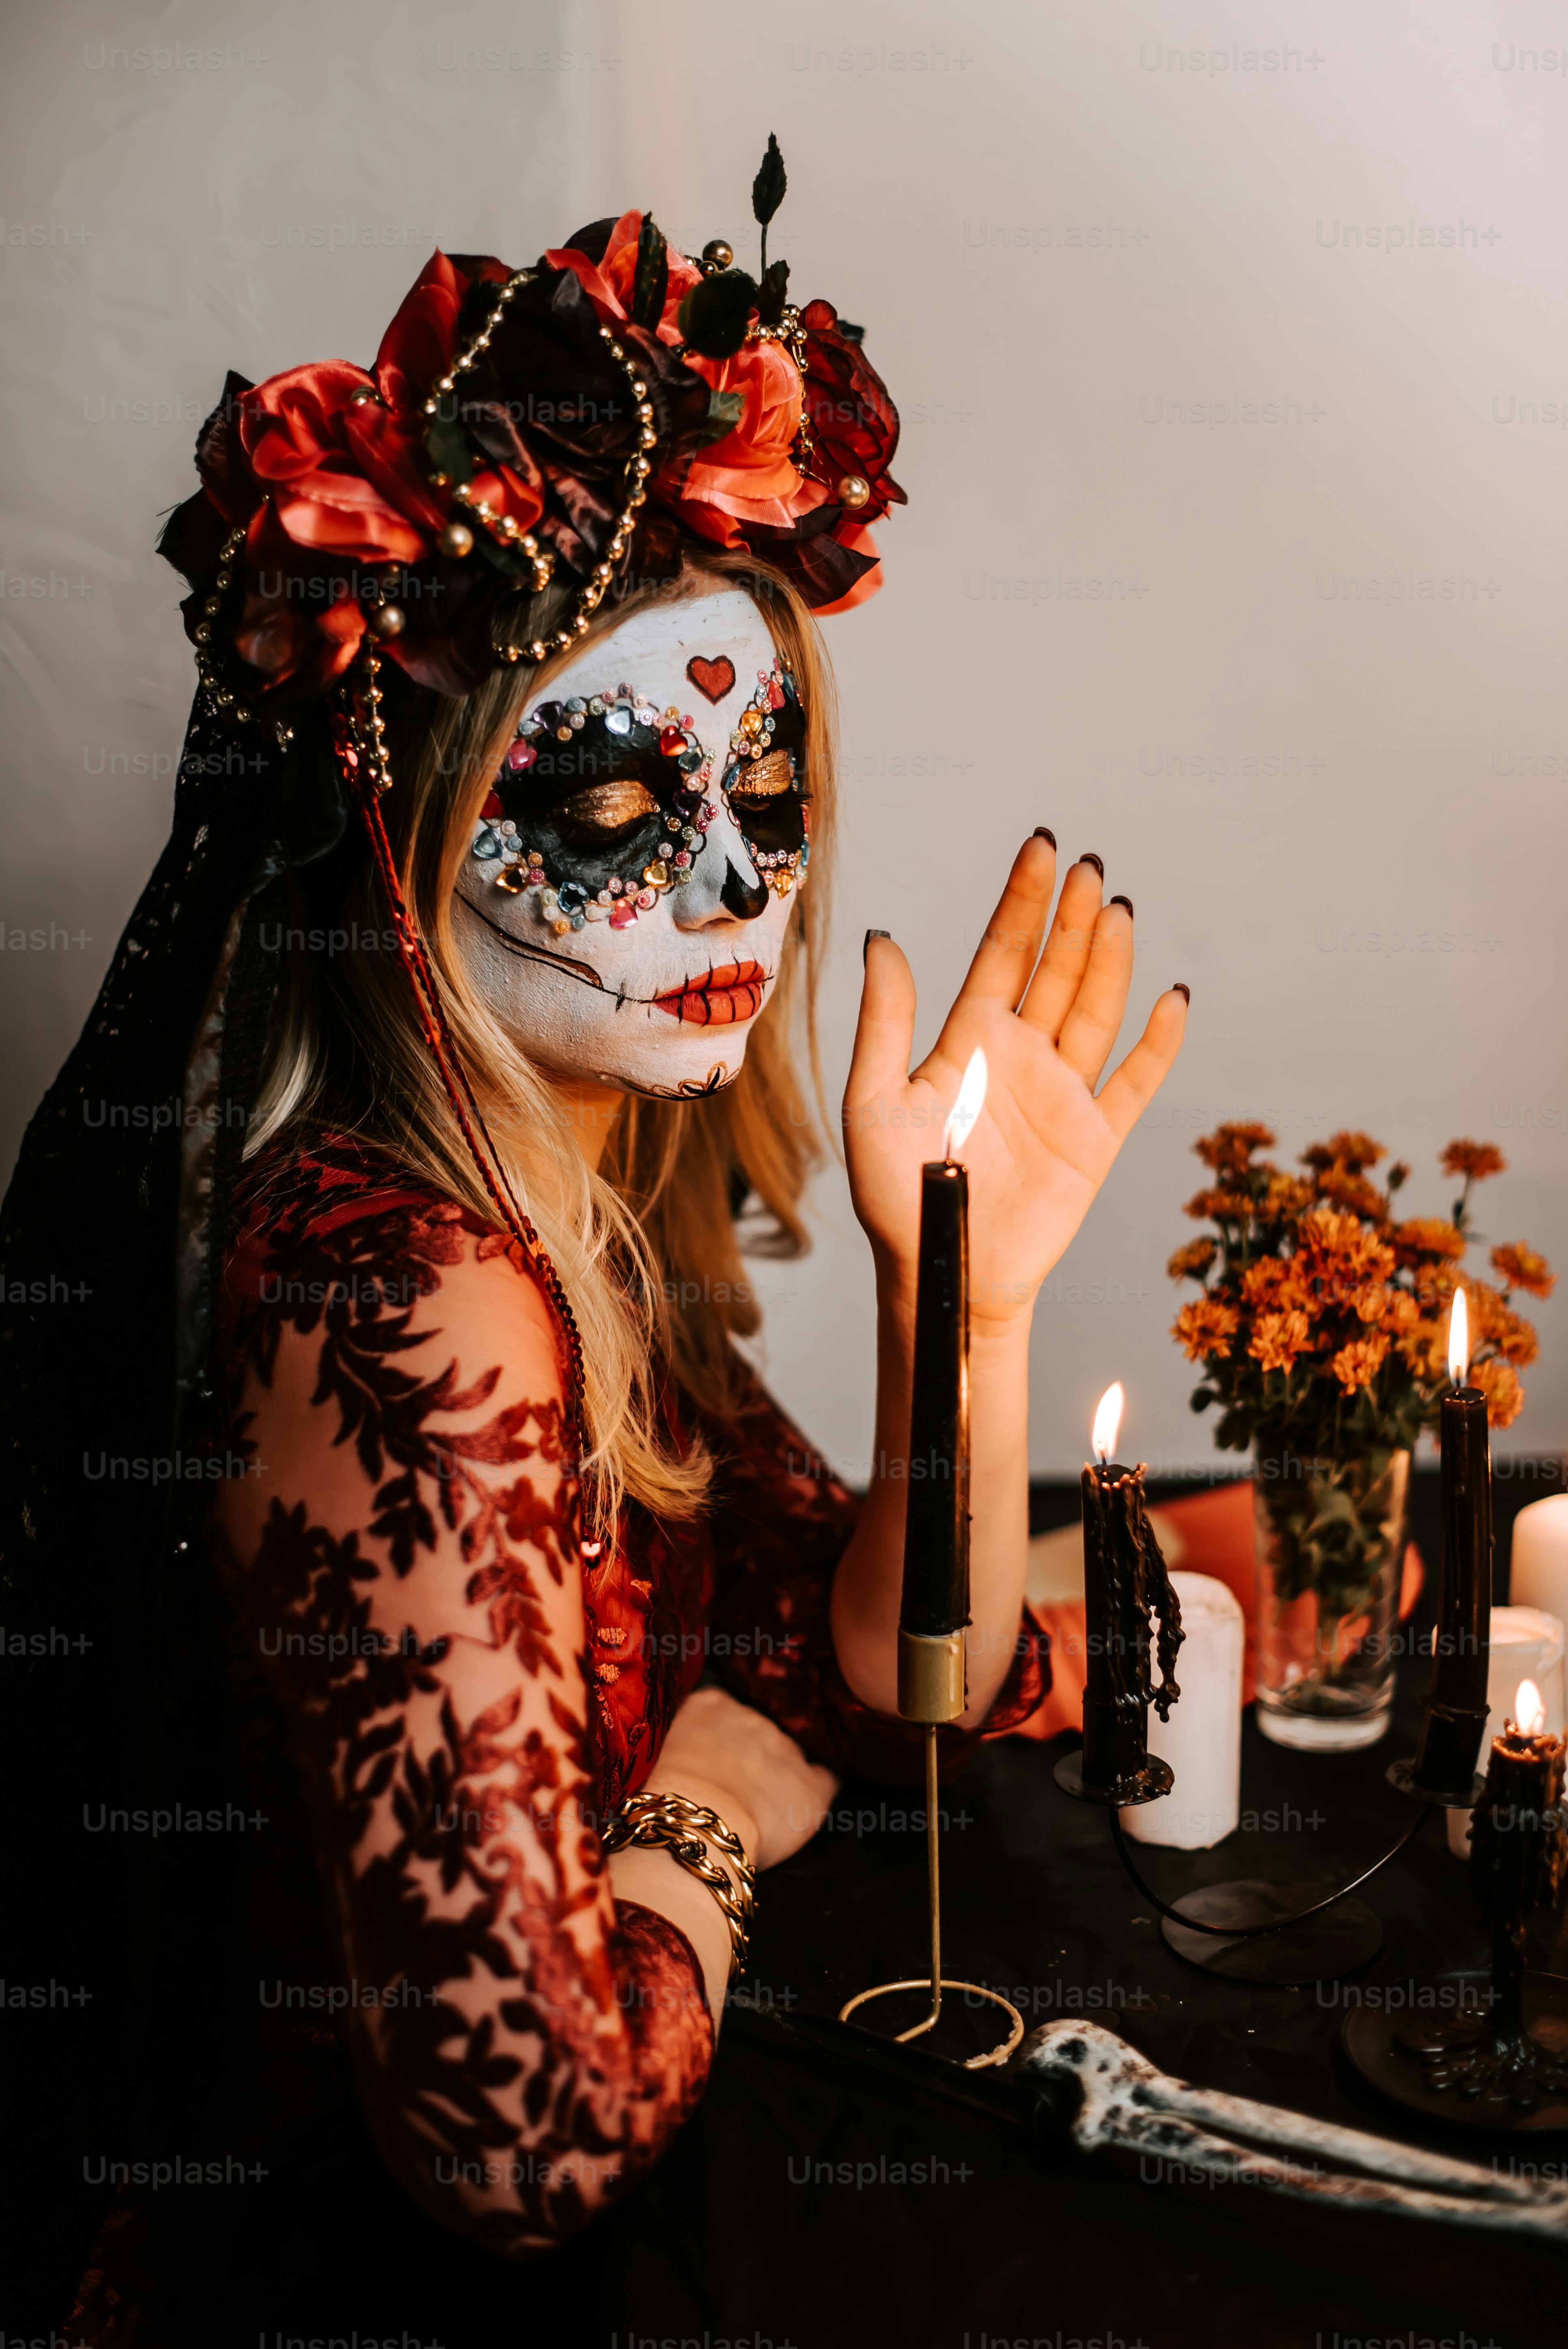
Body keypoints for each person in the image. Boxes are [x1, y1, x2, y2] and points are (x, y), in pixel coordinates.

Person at [1, 165, 1185, 2337]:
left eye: (773, 787)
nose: (736, 880)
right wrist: (721, 1804)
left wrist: (961, 1307)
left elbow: (898, 1660)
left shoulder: (581, 1170)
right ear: (411, 805)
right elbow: (521, 2131)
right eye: (629, 806)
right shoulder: (403, 1275)